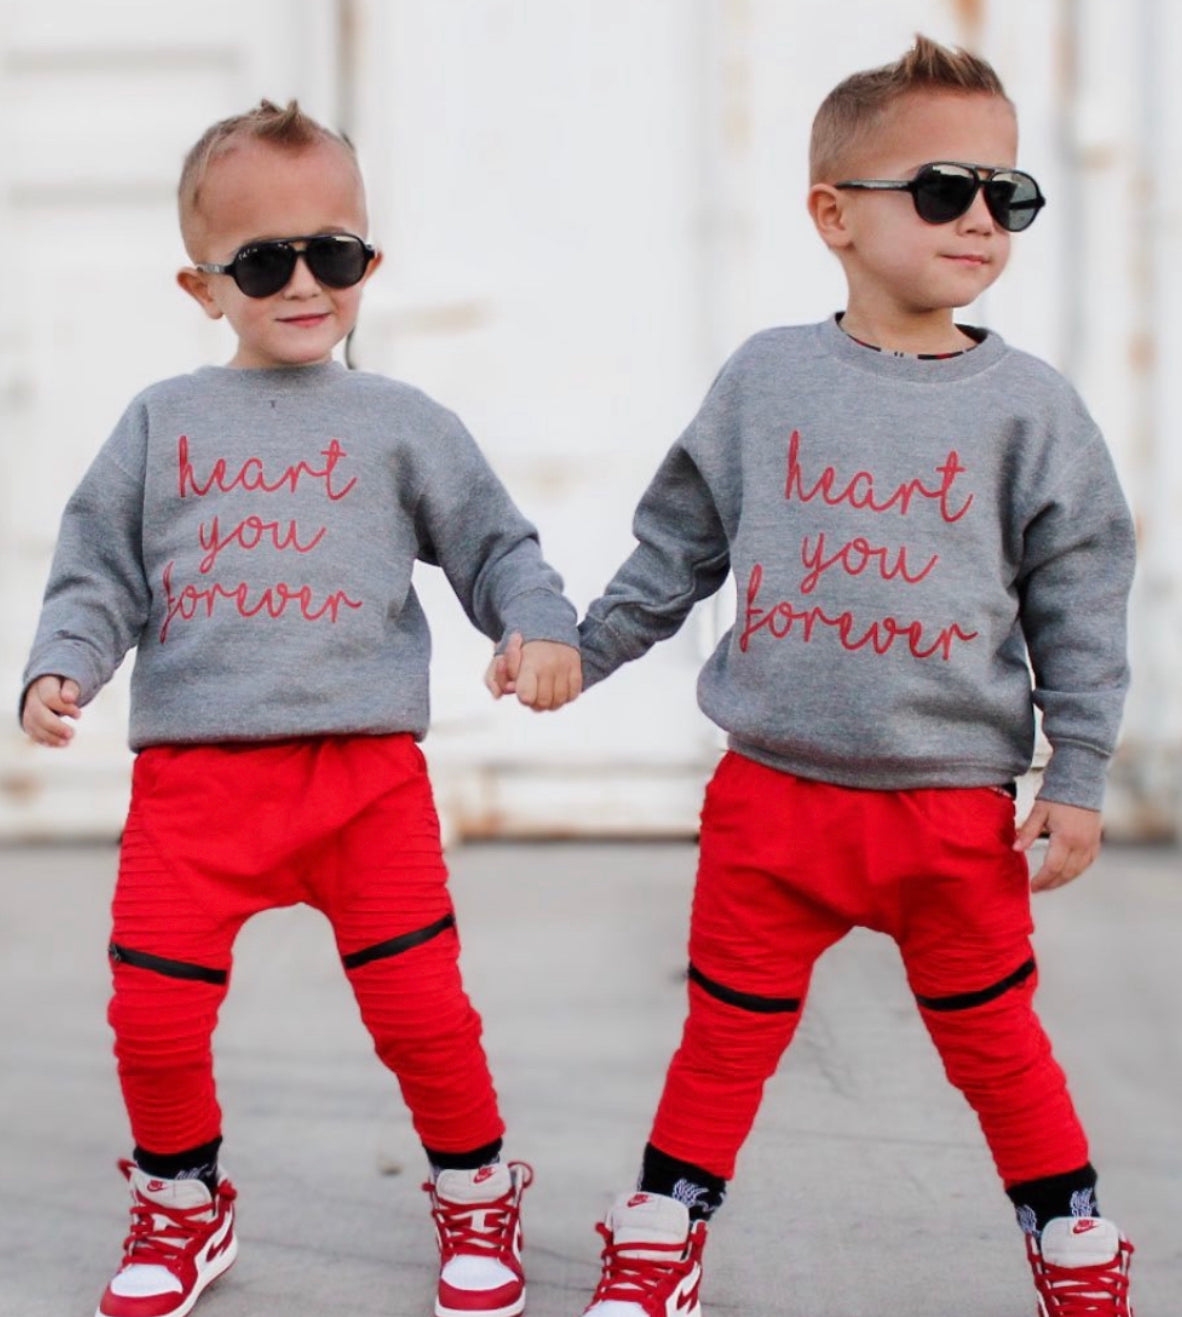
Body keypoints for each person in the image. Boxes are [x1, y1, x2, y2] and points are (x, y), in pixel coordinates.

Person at [493, 34, 1137, 1317]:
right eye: (943, 190)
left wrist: (1079, 771)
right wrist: (580, 649)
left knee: (995, 1041)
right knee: (726, 1032)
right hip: (773, 803)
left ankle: (1072, 1239)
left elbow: (1081, 601)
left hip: (949, 812)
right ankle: (666, 1226)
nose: (980, 220)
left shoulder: (1032, 410)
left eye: (1005, 194)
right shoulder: (767, 381)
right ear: (835, 215)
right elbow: (675, 553)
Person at [20, 99, 582, 1317]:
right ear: (201, 285)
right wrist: (64, 661)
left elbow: (497, 546)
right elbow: (98, 570)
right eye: (264, 261)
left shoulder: (401, 424)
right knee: (152, 1017)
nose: (305, 284)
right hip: (196, 789)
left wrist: (534, 626)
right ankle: (183, 1204)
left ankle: (476, 1189)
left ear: (369, 259)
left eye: (334, 252)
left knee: (422, 1012)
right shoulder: (162, 422)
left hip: (362, 782)